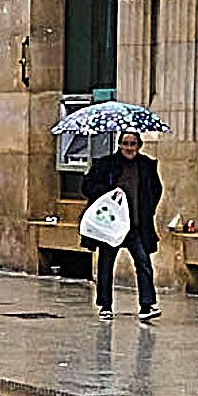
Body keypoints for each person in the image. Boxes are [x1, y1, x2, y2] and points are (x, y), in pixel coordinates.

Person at [82, 125, 162, 321]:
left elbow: (156, 190)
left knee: (143, 263)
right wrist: (108, 190)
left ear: (139, 145)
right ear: (119, 144)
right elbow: (87, 187)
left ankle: (147, 305)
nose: (129, 147)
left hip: (136, 226)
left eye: (133, 143)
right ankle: (105, 305)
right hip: (112, 227)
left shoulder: (146, 165)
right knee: (106, 264)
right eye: (125, 143)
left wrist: (147, 211)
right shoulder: (105, 164)